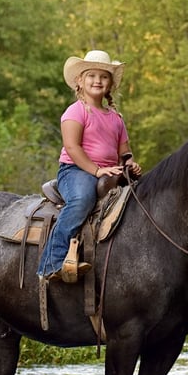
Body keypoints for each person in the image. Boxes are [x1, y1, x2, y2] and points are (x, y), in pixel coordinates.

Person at [37, 50, 142, 283]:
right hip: (76, 170)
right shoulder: (76, 112)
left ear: (110, 84)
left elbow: (124, 151)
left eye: (103, 77)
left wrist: (129, 165)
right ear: (80, 82)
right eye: (91, 76)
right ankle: (51, 262)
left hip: (110, 173)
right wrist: (96, 170)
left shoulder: (116, 118)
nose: (97, 81)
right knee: (82, 199)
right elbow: (73, 148)